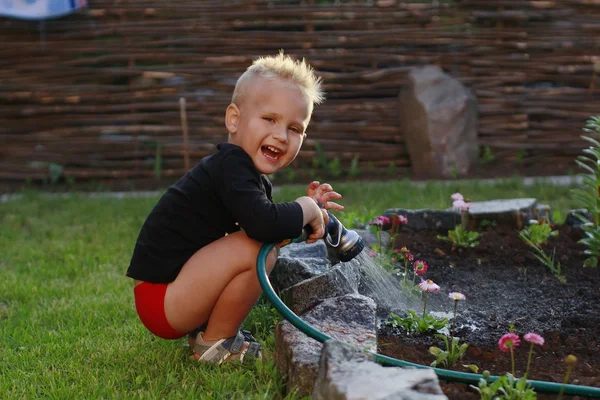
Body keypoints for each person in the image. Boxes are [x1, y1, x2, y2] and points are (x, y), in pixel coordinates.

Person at [126, 51, 344, 364]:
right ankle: (214, 345)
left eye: (295, 129)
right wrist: (305, 207)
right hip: (162, 300)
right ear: (234, 119)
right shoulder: (231, 167)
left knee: (264, 246)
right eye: (269, 119)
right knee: (258, 250)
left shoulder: (241, 173)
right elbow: (264, 227)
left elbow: (271, 230)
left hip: (171, 295)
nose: (281, 136)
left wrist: (308, 214)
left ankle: (210, 333)